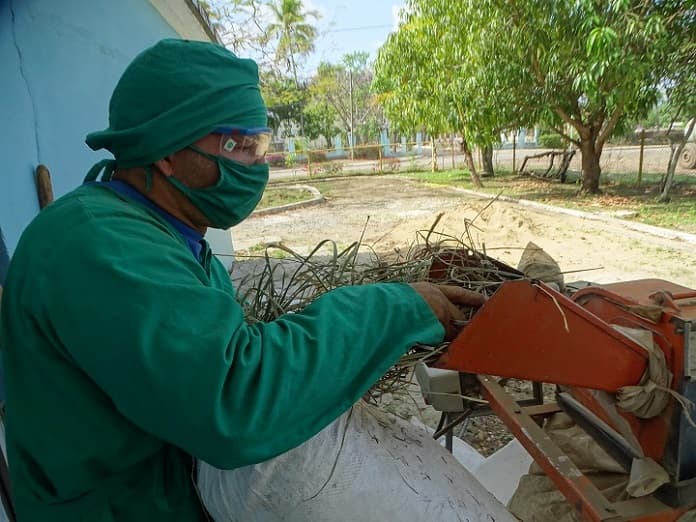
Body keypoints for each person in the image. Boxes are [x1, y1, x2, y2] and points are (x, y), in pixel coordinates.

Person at [0, 39, 484, 521]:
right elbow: (233, 398)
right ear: (168, 152)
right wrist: (394, 308)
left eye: (261, 146)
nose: (259, 165)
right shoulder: (100, 245)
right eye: (238, 146)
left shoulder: (171, 236)